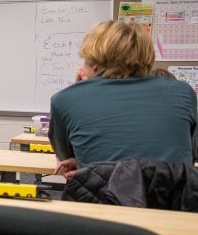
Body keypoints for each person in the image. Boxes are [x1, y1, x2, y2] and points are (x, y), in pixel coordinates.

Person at [50, 20, 197, 178]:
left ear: (94, 63)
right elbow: (189, 152)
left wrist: (78, 90)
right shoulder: (183, 92)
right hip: (172, 199)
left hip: (100, 199)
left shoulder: (65, 100)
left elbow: (67, 157)